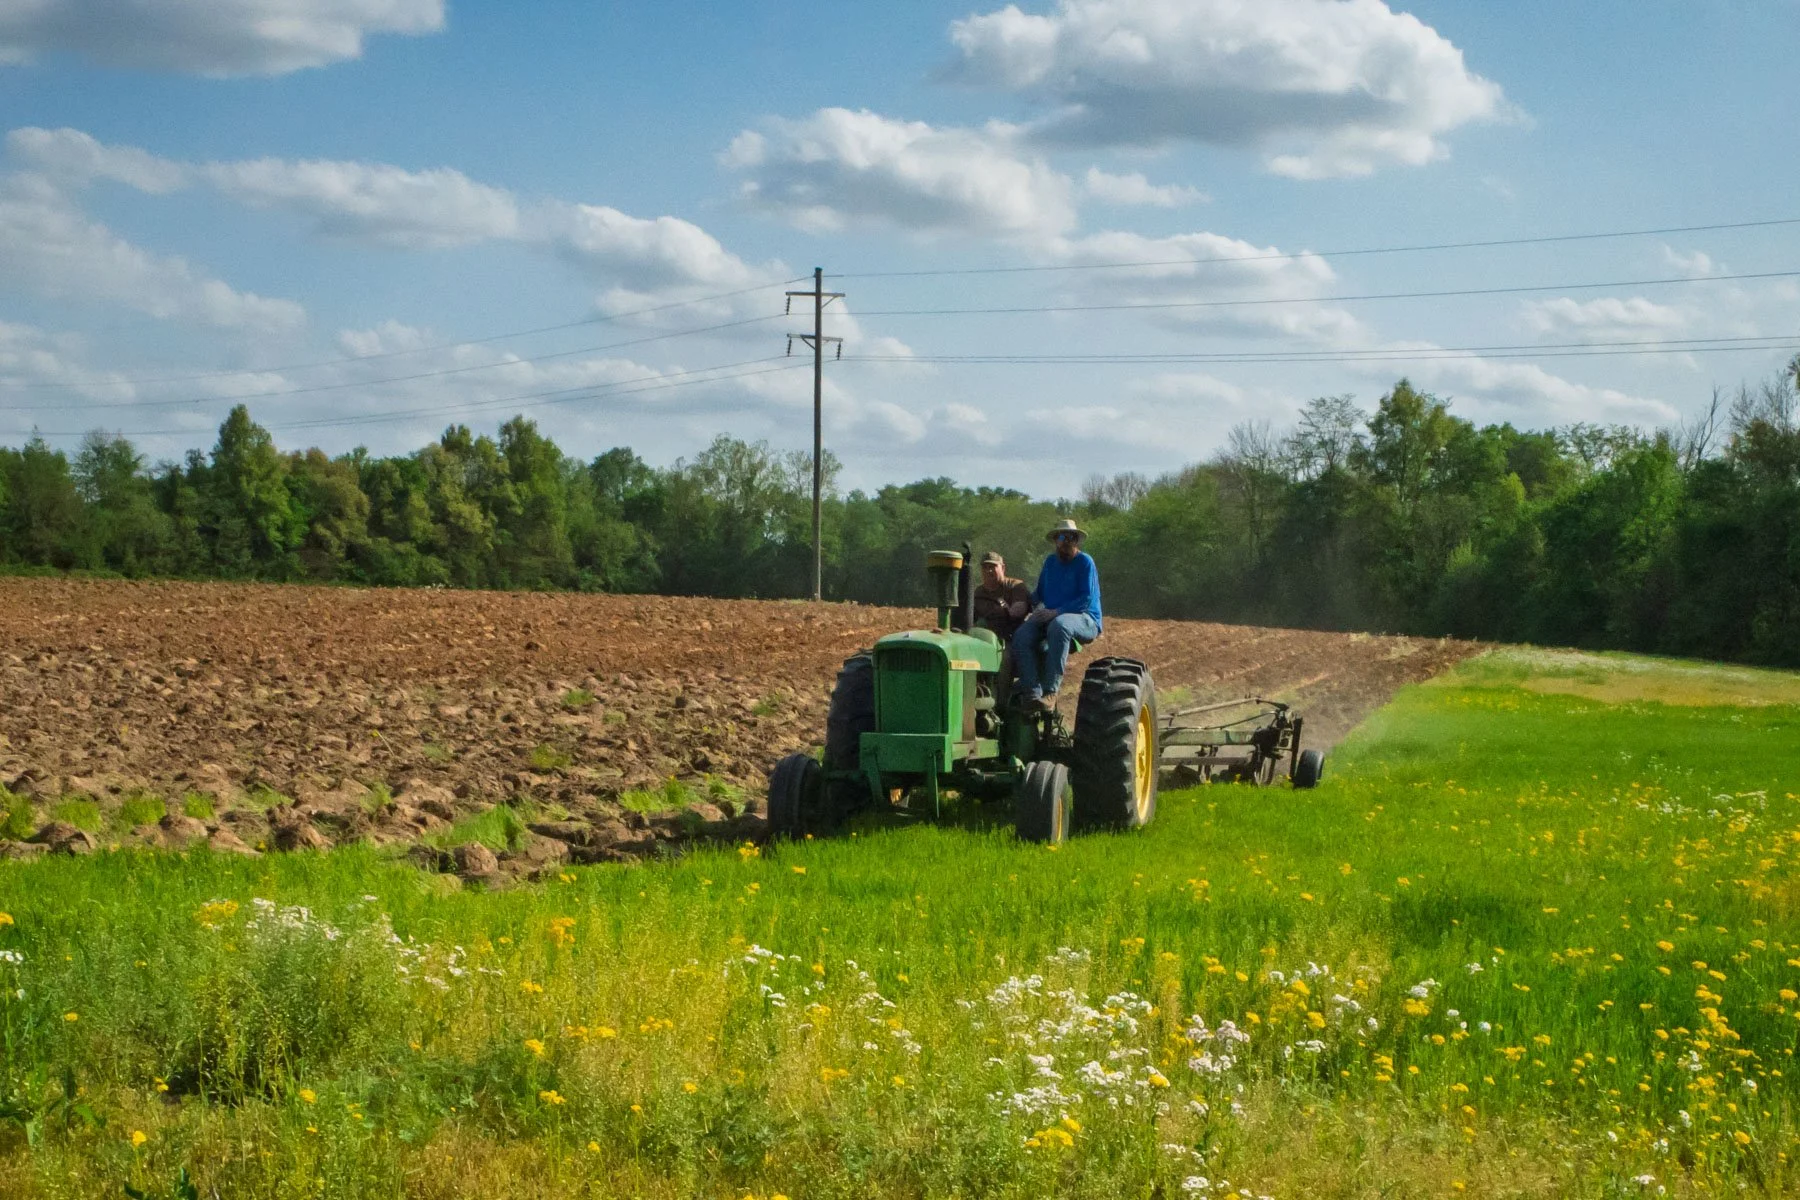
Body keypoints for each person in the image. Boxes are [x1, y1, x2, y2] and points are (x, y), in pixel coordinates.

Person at [1012, 518, 1102, 711]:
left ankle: (1051, 691)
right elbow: (1040, 593)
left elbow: (1085, 599)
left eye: (1071, 537)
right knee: (1021, 636)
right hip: (1052, 616)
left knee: (1059, 625)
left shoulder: (1085, 562)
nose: (1066, 540)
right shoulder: (1050, 562)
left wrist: (1056, 612)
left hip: (1084, 618)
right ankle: (1031, 693)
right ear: (1055, 540)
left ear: (1076, 541)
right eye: (1062, 536)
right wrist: (1024, 603)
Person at [972, 551, 1030, 641]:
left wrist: (1006, 610)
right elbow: (970, 617)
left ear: (1002, 568)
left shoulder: (1015, 586)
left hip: (1012, 635)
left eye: (992, 567)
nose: (988, 571)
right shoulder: (978, 592)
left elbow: (1019, 610)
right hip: (986, 636)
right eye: (985, 567)